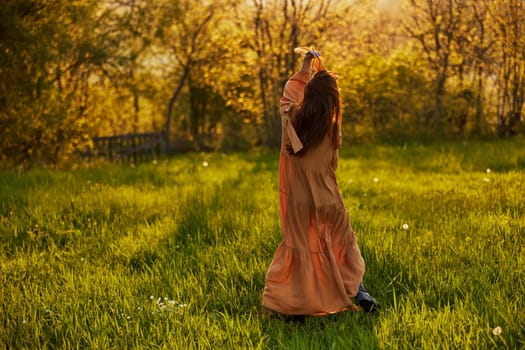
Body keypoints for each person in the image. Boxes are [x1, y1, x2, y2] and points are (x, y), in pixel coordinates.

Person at [262, 49, 380, 317]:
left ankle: (297, 307)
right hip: (329, 201)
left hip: (300, 202)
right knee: (341, 248)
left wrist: (306, 68)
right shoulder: (332, 128)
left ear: (307, 95)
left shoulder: (290, 118)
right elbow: (332, 165)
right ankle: (359, 292)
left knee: (303, 251)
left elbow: (289, 93)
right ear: (332, 101)